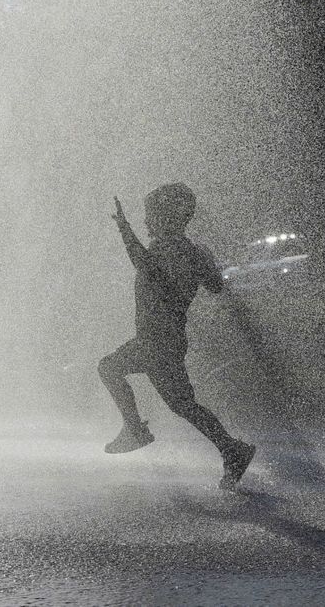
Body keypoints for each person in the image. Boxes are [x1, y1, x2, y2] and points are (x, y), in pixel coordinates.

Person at [98, 183, 255, 489]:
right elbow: (215, 286)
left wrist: (124, 229)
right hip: (167, 340)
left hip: (155, 341)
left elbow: (149, 270)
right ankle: (232, 449)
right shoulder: (189, 251)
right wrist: (205, 261)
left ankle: (135, 430)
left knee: (108, 367)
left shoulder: (167, 249)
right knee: (182, 405)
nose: (146, 222)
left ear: (166, 217)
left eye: (150, 216)